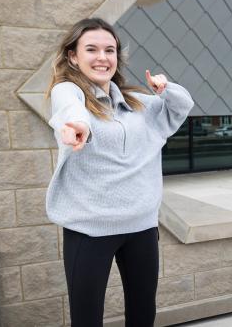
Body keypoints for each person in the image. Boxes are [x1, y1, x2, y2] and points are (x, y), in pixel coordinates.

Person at [46, 17, 194, 326]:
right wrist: (79, 126)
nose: (102, 57)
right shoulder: (68, 93)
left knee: (143, 315)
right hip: (89, 230)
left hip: (141, 227)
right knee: (86, 319)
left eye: (109, 50)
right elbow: (68, 109)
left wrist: (166, 90)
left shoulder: (139, 103)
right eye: (92, 49)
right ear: (73, 56)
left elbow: (180, 108)